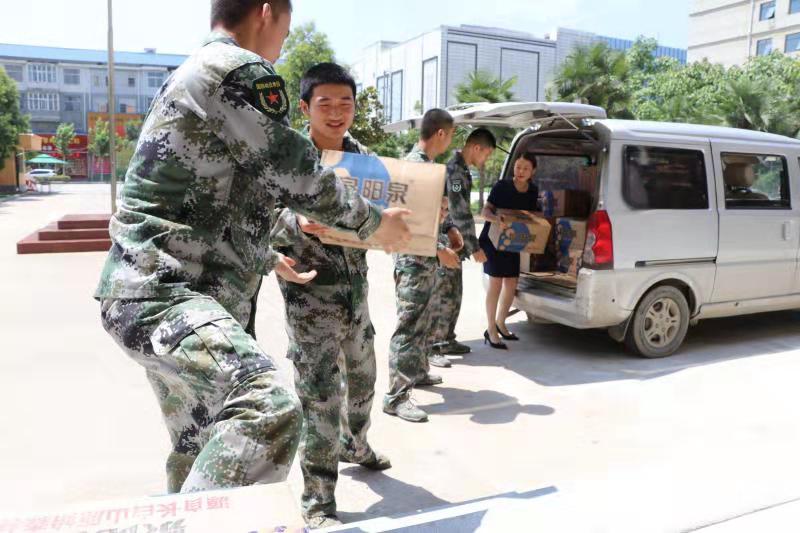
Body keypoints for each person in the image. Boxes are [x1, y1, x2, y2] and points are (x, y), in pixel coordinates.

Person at [96, 0, 411, 497]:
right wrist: (376, 224)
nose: (284, 40)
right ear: (267, 12)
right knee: (268, 408)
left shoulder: (195, 73)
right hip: (169, 293)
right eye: (287, 26)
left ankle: (185, 510)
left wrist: (268, 258)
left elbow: (216, 202)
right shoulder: (239, 70)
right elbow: (297, 175)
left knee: (200, 441)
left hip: (157, 291)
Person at [270, 62, 390, 528]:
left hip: (356, 297)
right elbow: (253, 219)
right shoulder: (288, 159)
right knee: (320, 400)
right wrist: (294, 223)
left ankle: (355, 444)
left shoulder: (365, 160)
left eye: (346, 103)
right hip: (311, 300)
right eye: (326, 103)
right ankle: (318, 501)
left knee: (363, 382)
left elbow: (388, 214)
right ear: (305, 108)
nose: (337, 112)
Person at [384, 109, 462, 423]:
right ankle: (396, 397)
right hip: (413, 260)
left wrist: (449, 227)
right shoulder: (415, 168)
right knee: (409, 326)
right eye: (451, 135)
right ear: (440, 133)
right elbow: (410, 221)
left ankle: (417, 371)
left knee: (424, 321)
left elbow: (433, 212)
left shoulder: (428, 167)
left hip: (426, 259)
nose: (450, 141)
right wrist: (439, 250)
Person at [430, 128, 496, 367]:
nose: (485, 160)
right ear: (477, 148)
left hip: (454, 241)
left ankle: (446, 339)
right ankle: (432, 346)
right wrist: (473, 245)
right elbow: (459, 211)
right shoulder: (455, 170)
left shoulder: (462, 169)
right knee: (441, 293)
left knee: (453, 293)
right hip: (445, 239)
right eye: (486, 154)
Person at [479, 153, 540, 349]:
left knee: (511, 282)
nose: (520, 171)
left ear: (533, 171)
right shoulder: (501, 186)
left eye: (526, 168)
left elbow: (530, 216)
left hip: (513, 242)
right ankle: (491, 329)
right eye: (518, 167)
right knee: (496, 282)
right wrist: (497, 219)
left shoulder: (533, 191)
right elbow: (485, 212)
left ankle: (501, 322)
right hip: (493, 240)